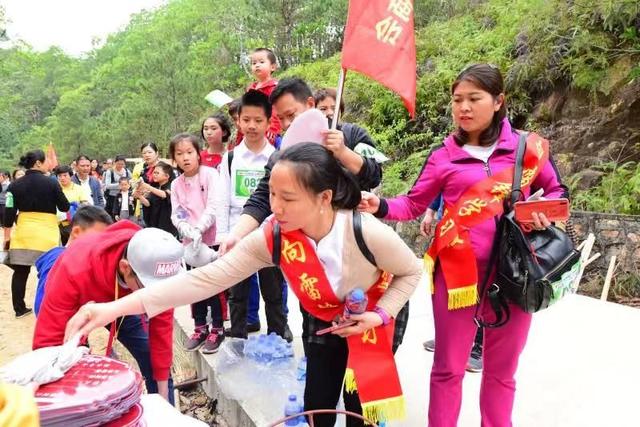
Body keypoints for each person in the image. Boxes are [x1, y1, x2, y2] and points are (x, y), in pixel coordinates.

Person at [65, 143, 422, 427]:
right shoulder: (275, 236)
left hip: (374, 314)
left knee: (362, 405)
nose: (276, 207)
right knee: (319, 402)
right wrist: (111, 308)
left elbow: (411, 272)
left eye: (289, 198)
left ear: (324, 198)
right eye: (273, 195)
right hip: (324, 317)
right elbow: (204, 280)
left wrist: (380, 315)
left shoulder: (364, 231)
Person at [358, 64, 568, 426]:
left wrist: (541, 214)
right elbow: (413, 204)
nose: (464, 108)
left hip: (516, 274)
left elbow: (557, 191)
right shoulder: (443, 155)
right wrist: (380, 205)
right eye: (457, 100)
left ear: (499, 101)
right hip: (457, 279)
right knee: (448, 369)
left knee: (501, 373)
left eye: (474, 98)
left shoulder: (526, 148)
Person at [34, 223, 182, 403]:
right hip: (78, 307)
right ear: (125, 267)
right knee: (72, 363)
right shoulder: (75, 267)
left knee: (150, 354)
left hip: (125, 302)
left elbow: (161, 334)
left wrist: (164, 401)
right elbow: (49, 339)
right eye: (148, 288)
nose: (157, 294)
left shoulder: (154, 264)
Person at [216, 90, 289, 341]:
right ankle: (237, 337)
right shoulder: (230, 158)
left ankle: (278, 336)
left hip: (270, 234)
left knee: (273, 290)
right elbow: (222, 200)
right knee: (237, 292)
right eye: (246, 120)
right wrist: (224, 236)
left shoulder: (277, 158)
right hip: (238, 234)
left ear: (269, 122)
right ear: (238, 121)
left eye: (258, 120)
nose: (252, 126)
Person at [169, 133, 227, 354]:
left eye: (189, 152)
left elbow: (213, 206)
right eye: (180, 154)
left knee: (215, 285)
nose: (185, 158)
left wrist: (199, 229)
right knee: (195, 286)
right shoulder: (176, 184)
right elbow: (177, 214)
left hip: (211, 240)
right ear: (174, 158)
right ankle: (200, 327)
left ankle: (218, 328)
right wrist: (187, 230)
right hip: (190, 244)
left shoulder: (210, 175)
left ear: (198, 152)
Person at [3, 150, 69, 318]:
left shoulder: (14, 185)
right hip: (46, 234)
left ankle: (19, 309)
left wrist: (7, 237)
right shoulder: (52, 183)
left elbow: (9, 214)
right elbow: (64, 207)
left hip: (24, 233)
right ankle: (48, 306)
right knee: (49, 271)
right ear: (38, 163)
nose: (49, 163)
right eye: (46, 160)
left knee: (20, 272)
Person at [34, 205, 113, 316]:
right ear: (76, 232)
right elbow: (43, 306)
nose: (101, 245)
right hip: (59, 327)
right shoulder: (60, 260)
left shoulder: (77, 259)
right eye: (97, 238)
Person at [243, 47, 282, 146]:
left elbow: (276, 110)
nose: (257, 65)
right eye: (254, 63)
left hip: (270, 132)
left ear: (272, 67)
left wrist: (273, 130)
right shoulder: (250, 88)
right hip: (252, 130)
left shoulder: (275, 87)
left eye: (261, 62)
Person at [136, 161, 177, 236]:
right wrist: (139, 196)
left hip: (167, 225)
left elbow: (164, 194)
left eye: (157, 173)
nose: (154, 175)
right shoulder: (156, 187)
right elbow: (148, 204)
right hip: (155, 223)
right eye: (154, 172)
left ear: (167, 176)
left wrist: (148, 187)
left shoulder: (172, 186)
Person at [54, 165, 89, 245]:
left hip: (73, 224)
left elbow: (85, 205)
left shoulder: (78, 188)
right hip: (57, 225)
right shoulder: (55, 188)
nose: (62, 178)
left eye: (65, 175)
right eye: (59, 176)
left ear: (70, 176)